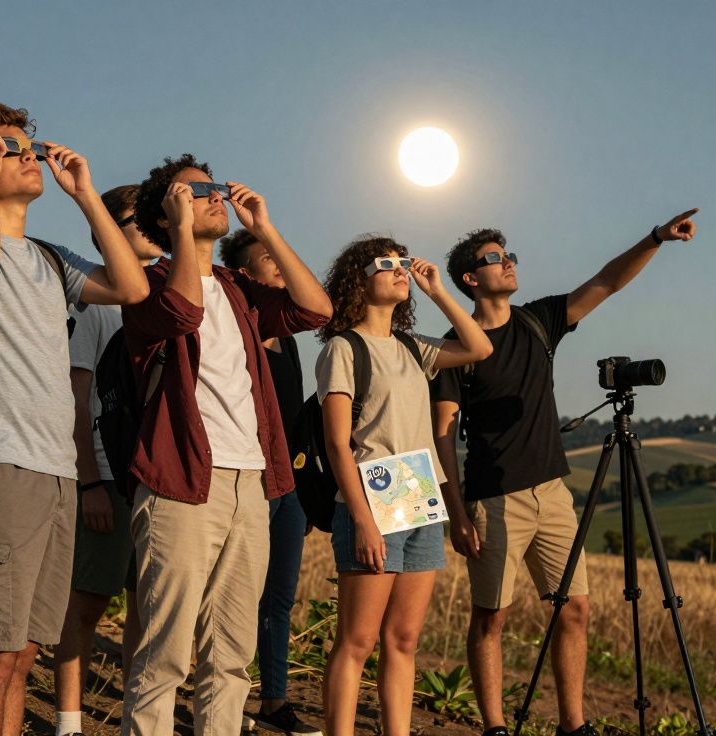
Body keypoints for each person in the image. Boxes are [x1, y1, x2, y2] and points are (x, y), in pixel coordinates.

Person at [0, 102, 149, 736]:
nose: (27, 154)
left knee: (21, 657)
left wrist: (85, 195)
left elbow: (133, 289)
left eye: (28, 145)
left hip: (53, 473)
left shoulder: (53, 259)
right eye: (6, 147)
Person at [430, 211, 700, 736]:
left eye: (509, 256)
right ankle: (495, 727)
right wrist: (455, 511)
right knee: (491, 618)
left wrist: (654, 239)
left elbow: (605, 281)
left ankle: (572, 726)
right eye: (495, 259)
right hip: (492, 499)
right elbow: (442, 434)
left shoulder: (539, 320)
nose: (508, 263)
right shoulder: (455, 348)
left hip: (552, 493)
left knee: (574, 609)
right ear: (470, 279)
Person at [119, 155, 332, 735]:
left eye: (215, 189)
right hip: (182, 479)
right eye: (197, 192)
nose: (216, 196)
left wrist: (263, 227)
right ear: (166, 212)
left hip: (252, 483)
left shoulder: (241, 288)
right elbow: (183, 312)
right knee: (165, 654)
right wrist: (183, 228)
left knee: (232, 656)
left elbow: (316, 308)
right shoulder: (146, 283)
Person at [316, 235, 492, 736]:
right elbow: (336, 445)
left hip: (418, 490)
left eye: (403, 264)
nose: (399, 271)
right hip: (373, 493)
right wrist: (363, 520)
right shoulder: (342, 348)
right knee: (357, 639)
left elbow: (480, 345)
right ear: (358, 278)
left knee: (404, 639)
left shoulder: (415, 348)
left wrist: (438, 291)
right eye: (386, 264)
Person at [52, 184, 164, 736]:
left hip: (156, 479)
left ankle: (133, 719)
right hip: (106, 476)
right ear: (105, 231)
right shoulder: (97, 302)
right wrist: (89, 482)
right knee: (88, 603)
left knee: (148, 611)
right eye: (133, 218)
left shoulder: (162, 297)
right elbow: (77, 397)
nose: (147, 224)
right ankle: (69, 724)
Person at [218, 229, 322, 735]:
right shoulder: (243, 329)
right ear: (246, 275)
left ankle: (274, 700)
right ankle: (223, 701)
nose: (280, 266)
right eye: (267, 259)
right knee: (234, 595)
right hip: (248, 481)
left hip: (290, 487)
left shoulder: (290, 339)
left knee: (278, 600)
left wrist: (303, 487)